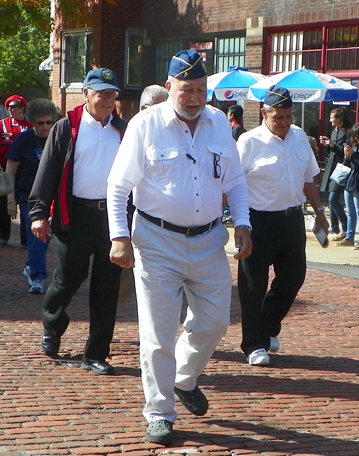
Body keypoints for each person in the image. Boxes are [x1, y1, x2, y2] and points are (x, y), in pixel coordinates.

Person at [107, 50, 252, 445]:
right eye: (187, 89)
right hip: (156, 241)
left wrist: (243, 223)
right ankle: (159, 412)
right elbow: (119, 186)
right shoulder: (145, 125)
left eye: (201, 89)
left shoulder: (219, 122)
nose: (194, 97)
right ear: (169, 86)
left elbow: (235, 181)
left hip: (208, 240)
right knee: (158, 332)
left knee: (215, 322)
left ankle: (183, 378)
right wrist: (119, 236)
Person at [29, 68, 126, 375]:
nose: (108, 101)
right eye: (102, 95)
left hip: (112, 218)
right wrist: (38, 213)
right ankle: (52, 325)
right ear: (86, 94)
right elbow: (49, 170)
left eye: (112, 95)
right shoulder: (65, 128)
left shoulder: (123, 130)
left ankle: (96, 353)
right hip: (76, 215)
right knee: (68, 278)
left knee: (107, 288)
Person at [236, 85, 328, 367]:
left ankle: (266, 325)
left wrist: (320, 212)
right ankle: (253, 345)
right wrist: (235, 223)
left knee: (294, 277)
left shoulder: (299, 137)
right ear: (264, 114)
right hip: (258, 220)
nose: (285, 122)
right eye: (279, 117)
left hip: (292, 220)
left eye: (288, 116)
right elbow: (233, 185)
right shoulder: (249, 143)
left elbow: (308, 179)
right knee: (253, 286)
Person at [6, 98, 58, 294]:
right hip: (28, 195)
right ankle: (38, 276)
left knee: (46, 235)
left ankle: (31, 265)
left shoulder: (58, 138)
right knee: (37, 235)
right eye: (40, 123)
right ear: (32, 122)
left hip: (52, 196)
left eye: (49, 122)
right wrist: (10, 199)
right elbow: (10, 171)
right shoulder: (23, 140)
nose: (45, 127)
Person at [0, 95, 32, 246]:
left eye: (14, 106)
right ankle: (3, 236)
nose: (10, 109)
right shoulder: (2, 124)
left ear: (22, 108)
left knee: (24, 203)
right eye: (9, 106)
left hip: (25, 171)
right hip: (5, 169)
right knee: (4, 202)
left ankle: (25, 239)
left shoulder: (30, 125)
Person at [320, 107, 352, 243]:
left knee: (333, 198)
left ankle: (345, 226)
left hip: (341, 168)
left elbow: (346, 152)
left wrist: (332, 145)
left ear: (339, 119)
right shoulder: (334, 132)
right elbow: (331, 151)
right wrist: (327, 145)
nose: (330, 120)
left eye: (332, 117)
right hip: (331, 167)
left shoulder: (348, 133)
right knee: (330, 199)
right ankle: (335, 229)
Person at [342, 123, 359, 250]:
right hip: (350, 181)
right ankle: (349, 237)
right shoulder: (354, 147)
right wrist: (347, 156)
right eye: (355, 136)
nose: (356, 139)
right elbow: (347, 164)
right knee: (350, 212)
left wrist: (353, 155)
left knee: (358, 211)